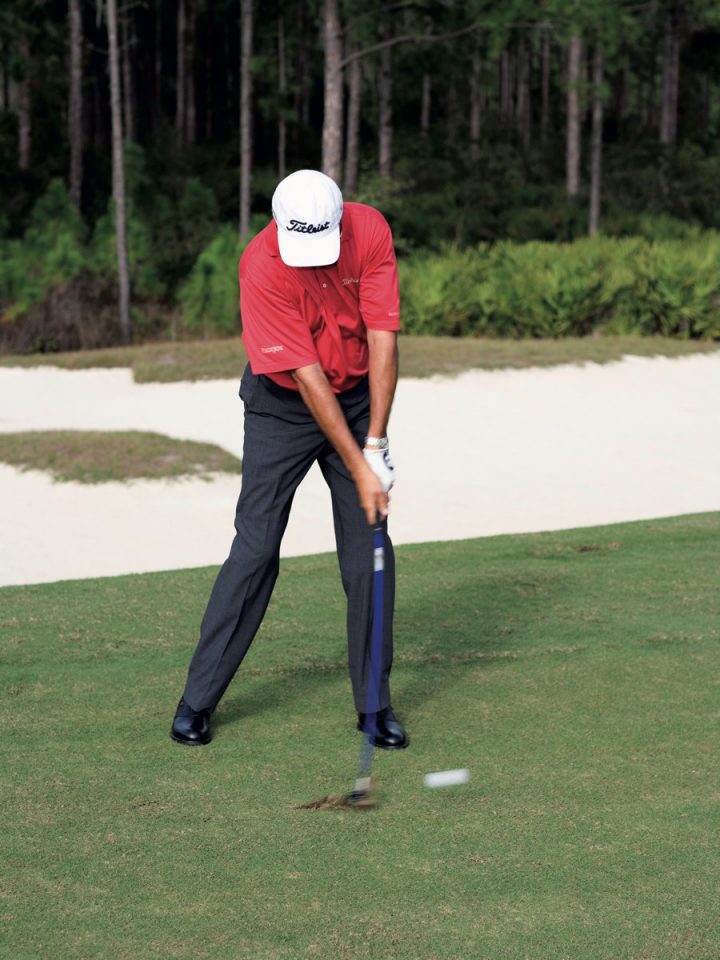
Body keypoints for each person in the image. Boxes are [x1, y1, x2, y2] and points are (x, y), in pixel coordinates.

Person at [170, 169, 408, 751]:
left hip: (355, 401)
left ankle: (374, 708)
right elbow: (307, 379)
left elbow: (383, 338)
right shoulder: (261, 266)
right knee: (255, 551)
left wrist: (375, 445)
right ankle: (196, 701)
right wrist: (359, 467)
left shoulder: (369, 229)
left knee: (369, 551)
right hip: (283, 407)